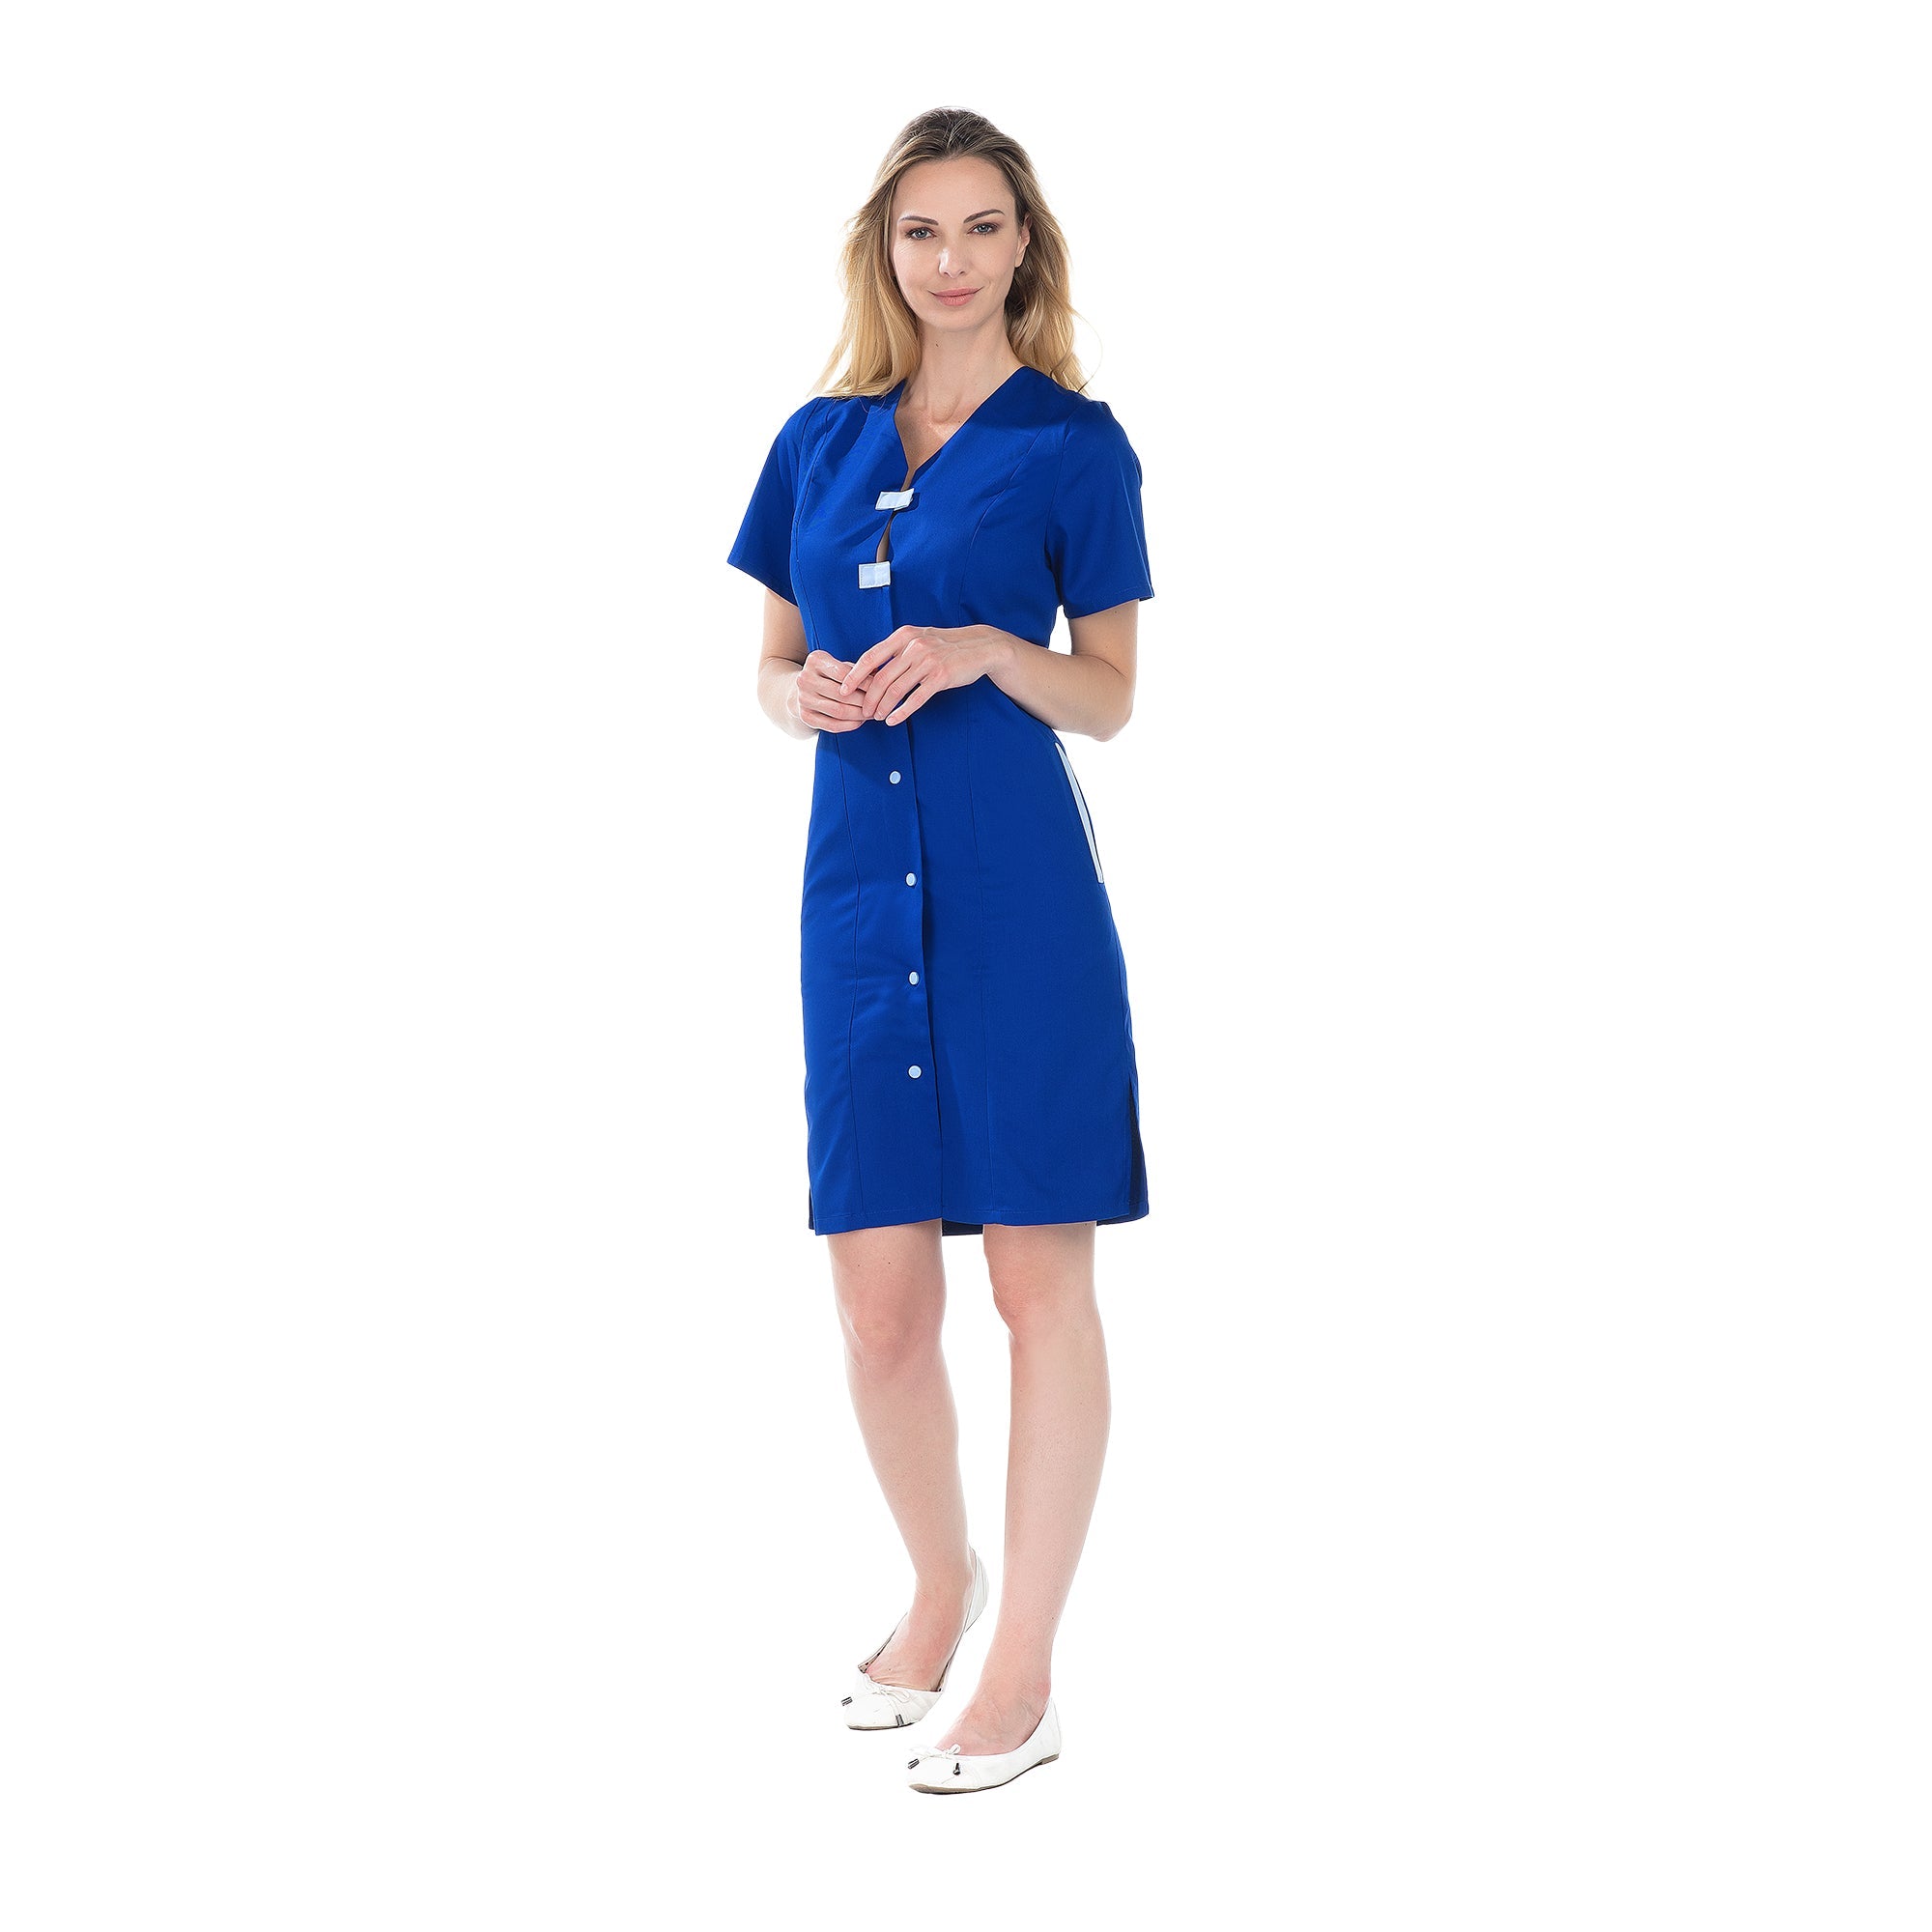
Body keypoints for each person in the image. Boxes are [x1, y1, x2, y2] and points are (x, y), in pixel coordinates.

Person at [725, 107, 1154, 1796]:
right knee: (879, 1307)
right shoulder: (818, 441)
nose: (953, 259)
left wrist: (985, 645)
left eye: (984, 227)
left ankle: (1023, 1675)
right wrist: (804, 695)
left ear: (1023, 245)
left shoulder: (1075, 446)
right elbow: (770, 664)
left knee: (1038, 1289)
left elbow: (1109, 699)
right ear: (883, 249)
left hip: (1017, 903)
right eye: (923, 230)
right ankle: (937, 1585)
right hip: (855, 908)